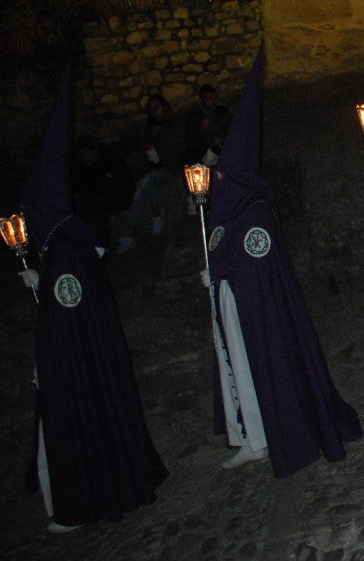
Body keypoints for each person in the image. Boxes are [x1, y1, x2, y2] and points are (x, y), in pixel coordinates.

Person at [18, 66, 167, 533]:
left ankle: (84, 499)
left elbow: (67, 323)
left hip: (82, 368)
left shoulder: (64, 254)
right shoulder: (67, 244)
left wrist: (45, 291)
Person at [204, 48, 362, 475]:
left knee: (266, 373)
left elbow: (259, 267)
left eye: (221, 175)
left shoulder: (256, 212)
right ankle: (252, 437)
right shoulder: (230, 213)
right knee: (241, 371)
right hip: (235, 312)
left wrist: (225, 269)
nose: (216, 180)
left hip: (260, 316)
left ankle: (277, 434)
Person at [117, 93, 177, 254]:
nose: (155, 112)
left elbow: (172, 151)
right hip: (155, 170)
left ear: (164, 107)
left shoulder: (173, 124)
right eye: (151, 109)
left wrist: (157, 138)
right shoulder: (149, 129)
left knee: (145, 183)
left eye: (157, 107)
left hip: (171, 169)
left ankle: (158, 213)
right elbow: (147, 153)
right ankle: (129, 234)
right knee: (140, 190)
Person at [182, 83, 231, 214]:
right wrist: (204, 129)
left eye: (214, 98)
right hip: (200, 153)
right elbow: (192, 141)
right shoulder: (195, 116)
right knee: (195, 162)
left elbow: (229, 130)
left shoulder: (222, 112)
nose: (212, 102)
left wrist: (219, 140)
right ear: (202, 100)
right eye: (209, 99)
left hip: (220, 150)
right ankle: (196, 199)